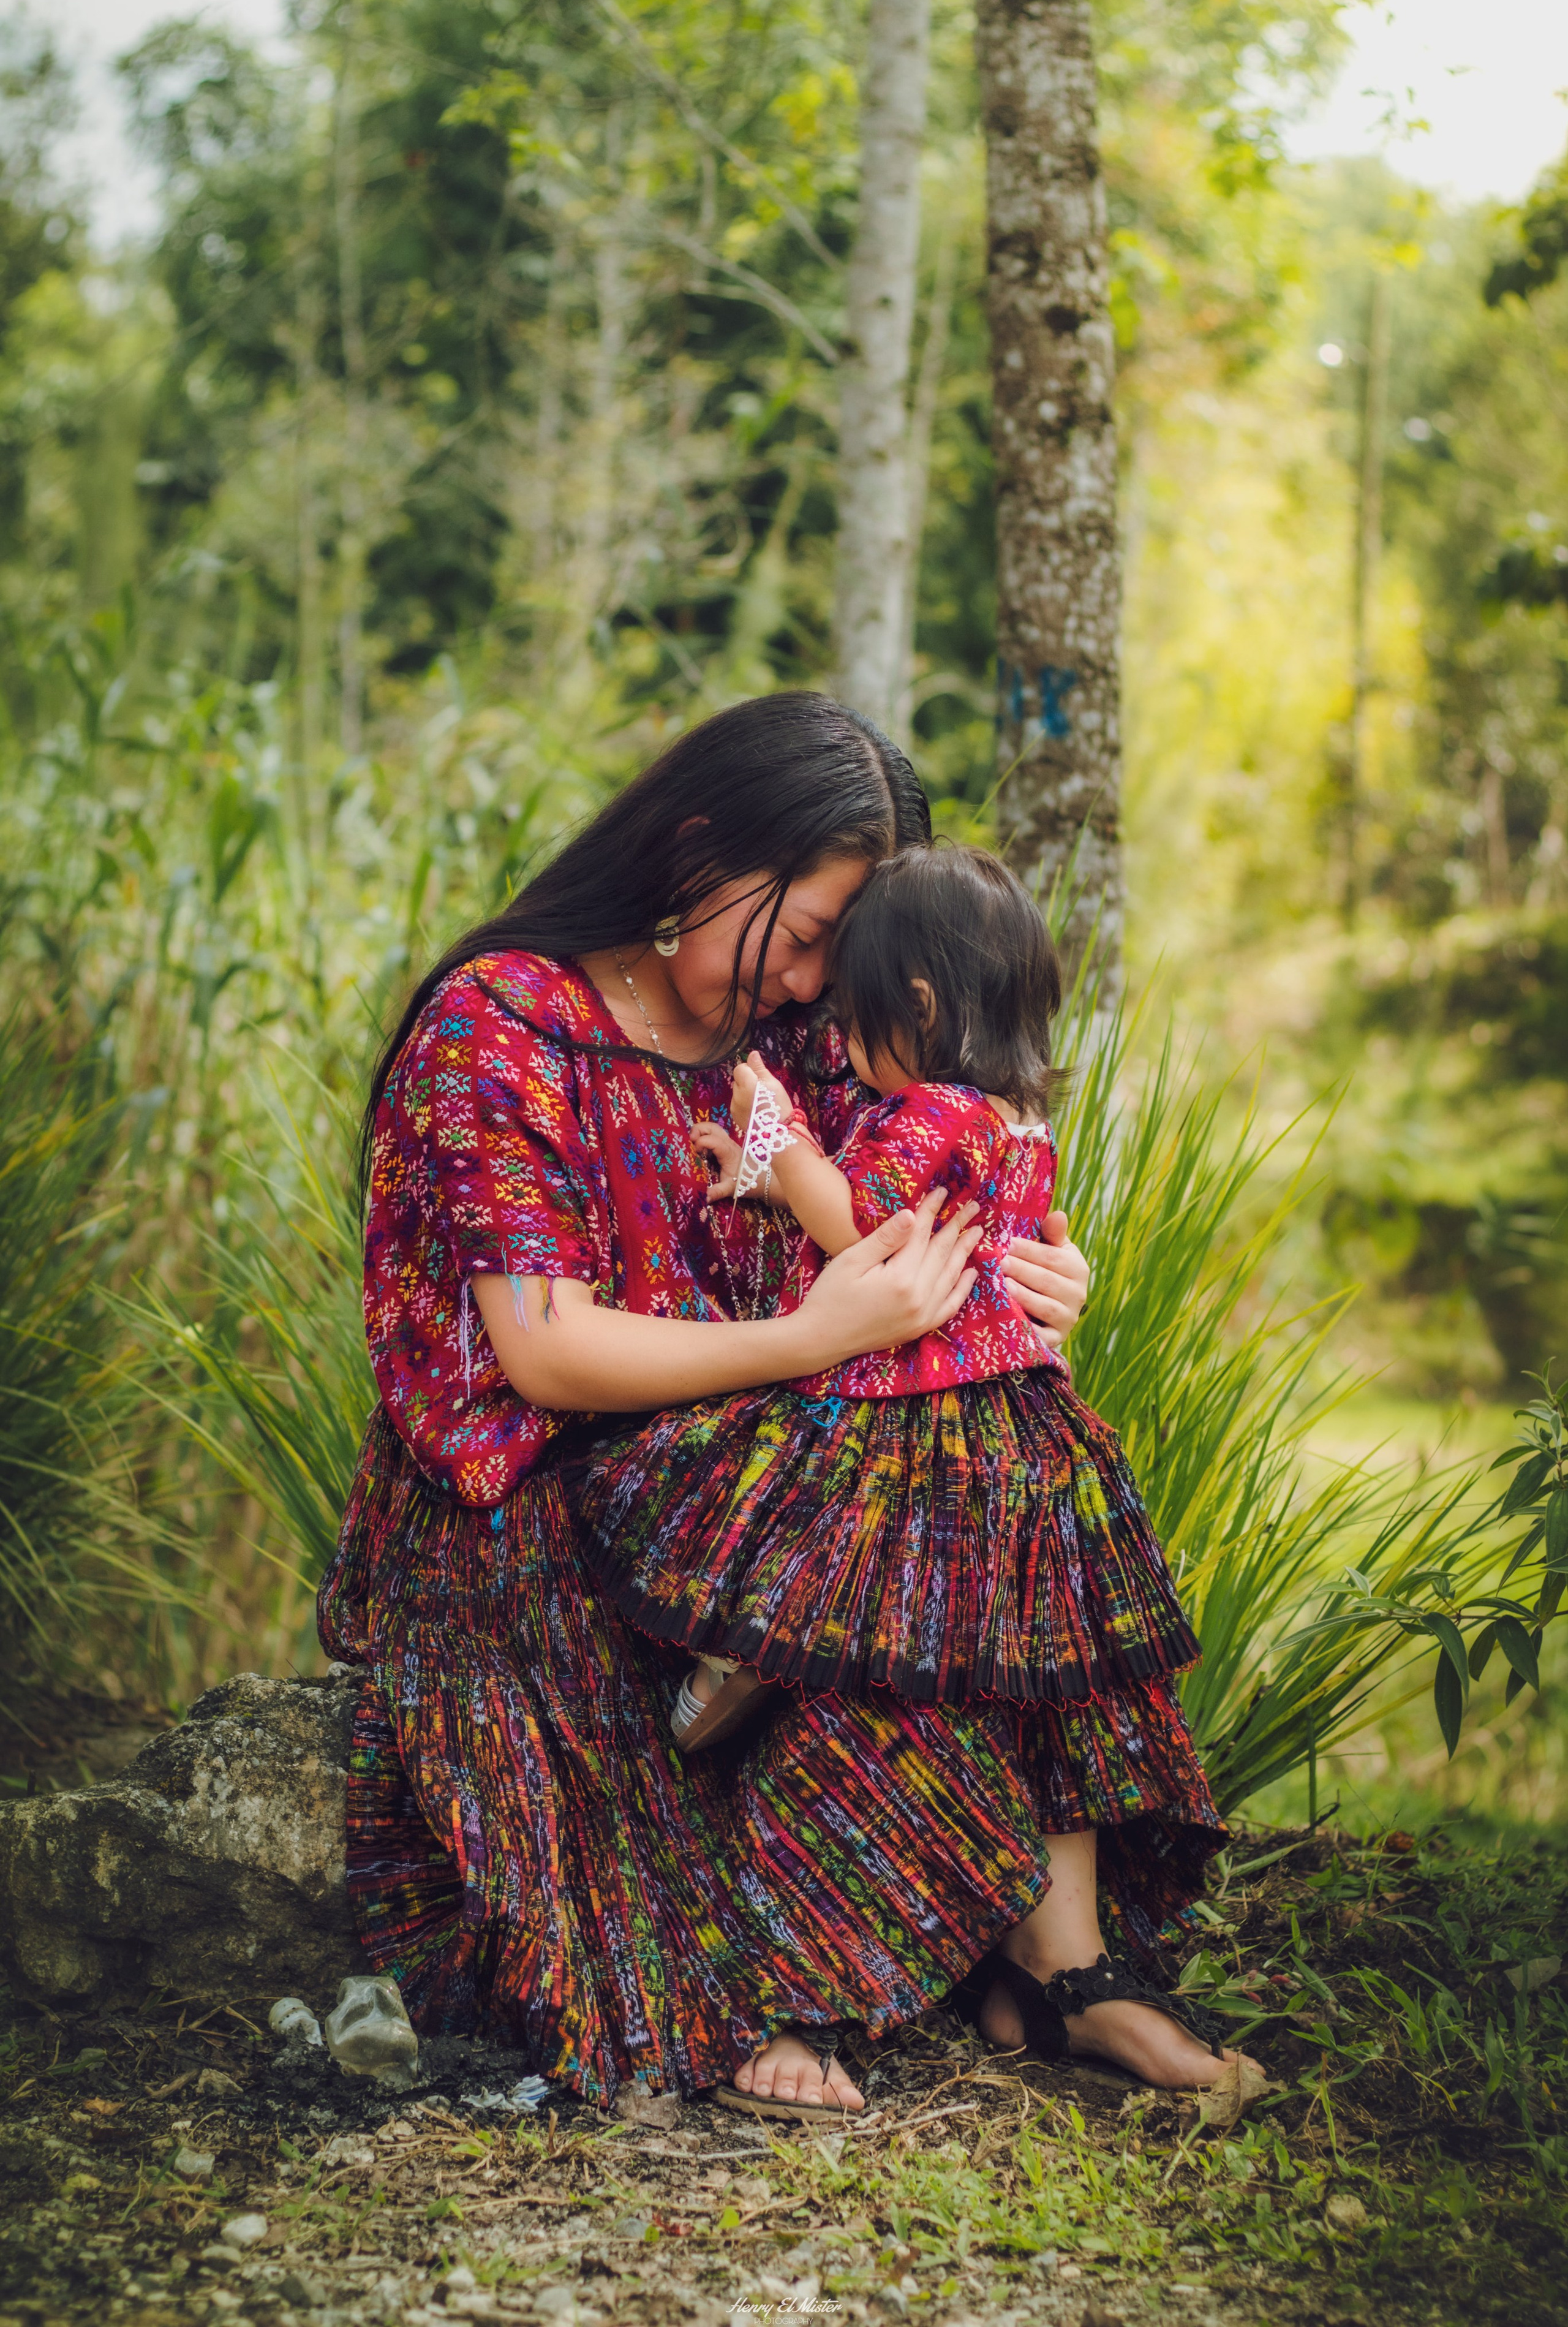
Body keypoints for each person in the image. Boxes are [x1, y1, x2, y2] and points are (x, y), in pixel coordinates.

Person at [316, 691, 1209, 2119]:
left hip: (755, 1473)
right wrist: (813, 1334)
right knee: (805, 1628)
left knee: (992, 1498)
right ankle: (875, 1959)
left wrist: (1023, 1278)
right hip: (536, 1501)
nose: (806, 989)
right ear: (698, 856)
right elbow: (540, 1353)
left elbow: (912, 1195)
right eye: (801, 939)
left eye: (833, 962)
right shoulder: (498, 1033)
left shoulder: (782, 1038)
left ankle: (1058, 1968)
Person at [577, 844, 1231, 2072]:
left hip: (922, 1424)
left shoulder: (927, 1107)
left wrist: (775, 1140)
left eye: (859, 1014)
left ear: (916, 1009)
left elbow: (871, 1236)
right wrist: (773, 1185)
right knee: (1040, 1686)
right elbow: (951, 1236)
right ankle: (1044, 1976)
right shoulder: (1017, 1116)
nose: (840, 1031)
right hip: (1033, 1437)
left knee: (840, 1644)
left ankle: (734, 1684)